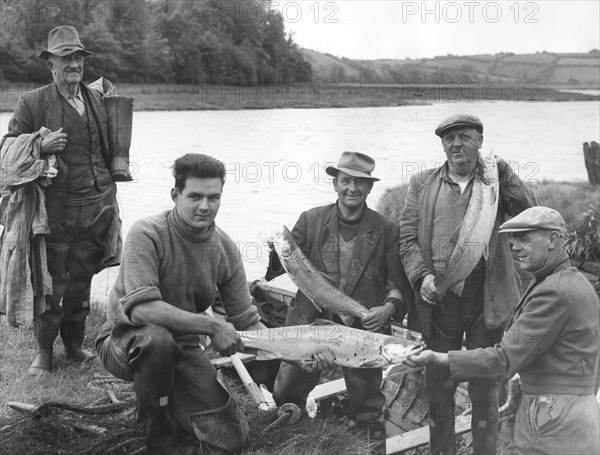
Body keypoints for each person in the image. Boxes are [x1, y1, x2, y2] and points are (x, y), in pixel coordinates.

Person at [96, 153, 266, 454]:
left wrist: (296, 350)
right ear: (176, 195)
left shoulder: (225, 247)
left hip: (185, 346)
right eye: (195, 196)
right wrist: (211, 325)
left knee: (231, 440)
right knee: (157, 342)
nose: (205, 206)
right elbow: (142, 310)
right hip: (126, 342)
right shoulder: (146, 233)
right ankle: (158, 432)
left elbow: (247, 319)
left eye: (214, 197)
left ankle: (171, 401)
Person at [405, 206, 600, 455]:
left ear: (553, 240)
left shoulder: (553, 293)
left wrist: (437, 358)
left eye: (524, 238)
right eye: (513, 238)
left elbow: (503, 359)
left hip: (553, 420)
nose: (514, 246)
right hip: (581, 415)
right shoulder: (578, 283)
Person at [398, 114, 539, 454]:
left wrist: (505, 172)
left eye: (464, 136)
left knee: (484, 387)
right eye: (449, 139)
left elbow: (531, 212)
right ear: (442, 145)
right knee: (440, 388)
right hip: (438, 300)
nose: (456, 144)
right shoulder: (421, 183)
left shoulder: (497, 182)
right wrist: (423, 277)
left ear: (480, 142)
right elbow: (406, 240)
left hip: (485, 300)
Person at [270, 151, 414, 452]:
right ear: (335, 183)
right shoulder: (310, 220)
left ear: (370, 188)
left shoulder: (387, 229)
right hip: (308, 325)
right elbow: (276, 271)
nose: (352, 188)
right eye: (346, 181)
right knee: (285, 391)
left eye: (360, 183)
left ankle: (372, 450)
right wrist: (274, 251)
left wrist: (388, 308)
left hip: (360, 334)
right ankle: (295, 444)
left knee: (368, 404)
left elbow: (396, 283)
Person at [0, 26, 122, 376]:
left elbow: (111, 148)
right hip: (53, 212)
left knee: (82, 281)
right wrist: (39, 146)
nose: (74, 64)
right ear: (50, 64)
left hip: (97, 207)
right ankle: (43, 353)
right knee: (51, 284)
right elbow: (6, 152)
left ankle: (73, 346)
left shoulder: (99, 99)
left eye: (78, 57)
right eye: (66, 58)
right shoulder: (33, 102)